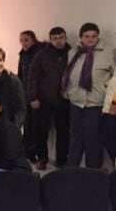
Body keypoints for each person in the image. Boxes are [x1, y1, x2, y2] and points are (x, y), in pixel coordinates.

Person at [62, 22, 115, 168]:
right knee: (75, 137)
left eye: (94, 36)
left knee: (93, 138)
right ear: (80, 37)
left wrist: (111, 98)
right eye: (87, 36)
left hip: (96, 102)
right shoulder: (73, 52)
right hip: (76, 101)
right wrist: (67, 90)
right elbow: (68, 72)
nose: (90, 39)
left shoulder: (109, 52)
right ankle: (72, 169)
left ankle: (93, 172)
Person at [26, 26, 71, 169]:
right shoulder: (42, 54)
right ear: (50, 39)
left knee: (63, 132)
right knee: (40, 131)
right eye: (55, 38)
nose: (58, 41)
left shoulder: (72, 53)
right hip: (43, 99)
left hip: (64, 100)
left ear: (65, 38)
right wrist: (32, 97)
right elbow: (32, 77)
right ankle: (42, 158)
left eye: (61, 38)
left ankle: (62, 159)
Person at [18, 30, 43, 163]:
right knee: (27, 125)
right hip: (25, 95)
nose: (23, 43)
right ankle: (28, 153)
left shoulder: (39, 54)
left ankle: (36, 154)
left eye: (26, 40)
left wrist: (34, 96)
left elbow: (37, 78)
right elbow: (21, 75)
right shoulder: (23, 54)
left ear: (33, 39)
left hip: (36, 97)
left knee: (36, 127)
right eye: (21, 40)